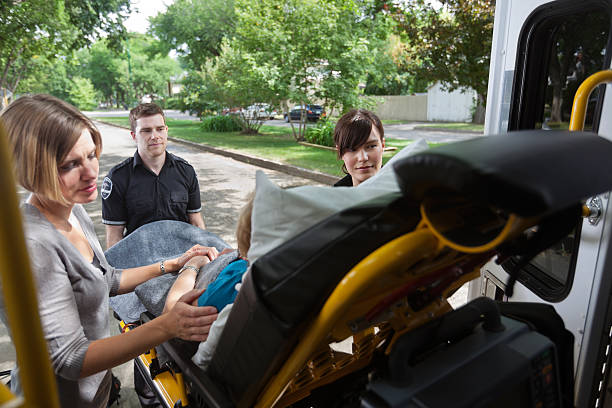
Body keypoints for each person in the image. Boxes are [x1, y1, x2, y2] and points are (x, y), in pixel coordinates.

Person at [0, 94, 220, 408]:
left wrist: (171, 264)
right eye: (70, 165)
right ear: (31, 169)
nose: (91, 172)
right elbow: (70, 359)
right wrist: (167, 325)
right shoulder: (34, 246)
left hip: (100, 392)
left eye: (91, 155)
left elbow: (105, 279)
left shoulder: (71, 211)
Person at [102, 103, 206, 249]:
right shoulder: (117, 178)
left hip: (184, 257)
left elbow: (196, 223)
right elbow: (114, 237)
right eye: (146, 131)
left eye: (159, 129)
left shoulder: (186, 171)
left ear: (166, 131)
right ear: (134, 136)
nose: (155, 136)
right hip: (141, 263)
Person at [333, 109, 385, 187]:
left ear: (383, 145)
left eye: (371, 146)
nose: (363, 158)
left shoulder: (406, 193)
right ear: (340, 153)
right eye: (352, 149)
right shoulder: (334, 197)